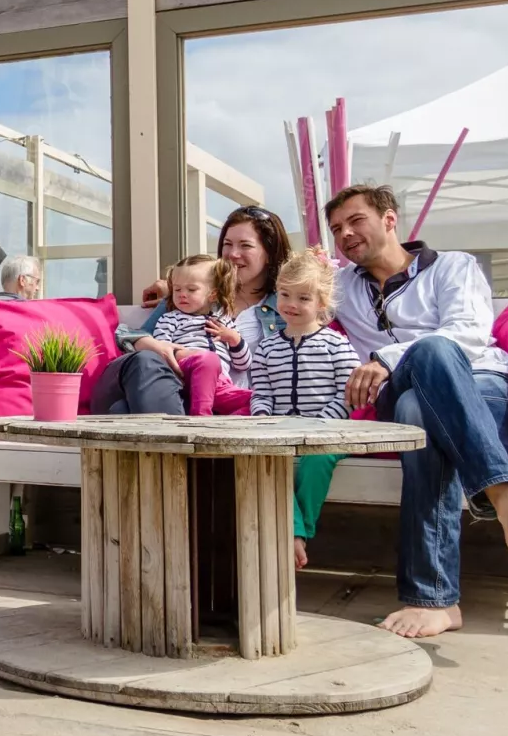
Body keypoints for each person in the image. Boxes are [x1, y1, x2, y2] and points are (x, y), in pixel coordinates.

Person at [326, 183, 508, 639]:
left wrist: (385, 358)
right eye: (336, 229)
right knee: (417, 380)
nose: (344, 234)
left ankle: (435, 602)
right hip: (401, 390)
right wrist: (174, 290)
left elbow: (466, 332)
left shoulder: (452, 266)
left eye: (355, 220)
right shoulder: (340, 286)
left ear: (390, 220)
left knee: (424, 390)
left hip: (482, 386)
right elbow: (270, 287)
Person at [94, 206, 291, 416]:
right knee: (128, 397)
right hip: (182, 394)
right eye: (227, 244)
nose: (233, 254)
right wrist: (150, 344)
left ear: (269, 253)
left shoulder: (286, 306)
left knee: (123, 410)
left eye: (245, 245)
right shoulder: (186, 299)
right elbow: (131, 336)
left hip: (236, 401)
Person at [248, 248, 360, 569]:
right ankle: (293, 532)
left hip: (328, 434)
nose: (291, 305)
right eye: (284, 295)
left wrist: (320, 425)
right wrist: (263, 418)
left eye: (303, 298)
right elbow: (263, 392)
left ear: (321, 303)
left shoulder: (337, 344)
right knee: (266, 461)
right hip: (281, 435)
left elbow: (349, 394)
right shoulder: (267, 347)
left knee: (316, 459)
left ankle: (300, 529)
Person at [141, 255, 251, 415]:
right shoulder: (170, 318)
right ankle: (201, 418)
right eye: (177, 289)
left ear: (212, 294)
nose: (182, 294)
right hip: (186, 377)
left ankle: (223, 429)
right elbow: (161, 353)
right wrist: (183, 354)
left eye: (191, 289)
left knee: (256, 401)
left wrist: (234, 339)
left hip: (220, 385)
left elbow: (243, 365)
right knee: (209, 360)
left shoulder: (225, 322)